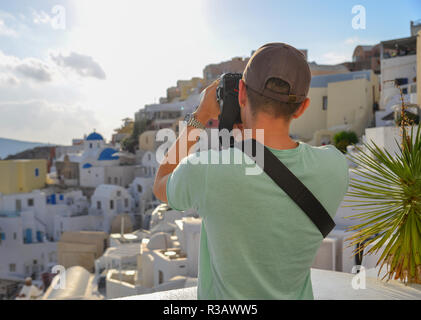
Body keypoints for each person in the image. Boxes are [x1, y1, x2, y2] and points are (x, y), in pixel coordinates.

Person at [153, 43, 349, 299]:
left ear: (242, 93)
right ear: (302, 107)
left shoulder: (208, 170)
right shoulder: (335, 167)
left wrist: (200, 116)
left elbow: (160, 184)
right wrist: (250, 145)